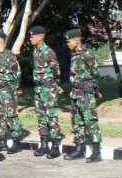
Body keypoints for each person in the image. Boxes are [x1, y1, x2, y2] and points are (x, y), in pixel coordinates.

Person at [63, 29, 103, 162]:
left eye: (69, 41)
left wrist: (94, 89)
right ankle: (80, 150)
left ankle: (96, 152)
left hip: (85, 93)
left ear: (76, 40)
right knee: (77, 122)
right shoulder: (74, 55)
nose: (67, 44)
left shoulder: (86, 54)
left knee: (90, 121)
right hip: (75, 93)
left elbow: (95, 73)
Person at [29, 26, 63, 159]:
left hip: (48, 89)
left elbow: (57, 71)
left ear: (40, 37)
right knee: (41, 117)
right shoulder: (36, 51)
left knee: (51, 117)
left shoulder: (48, 52)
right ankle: (44, 145)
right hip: (38, 88)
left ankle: (55, 146)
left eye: (32, 37)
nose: (30, 39)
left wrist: (54, 85)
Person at [0, 30, 23, 153]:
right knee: (0, 115)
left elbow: (17, 72)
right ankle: (3, 140)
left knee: (11, 115)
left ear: (0, 40)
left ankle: (16, 141)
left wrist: (15, 88)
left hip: (7, 89)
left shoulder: (9, 55)